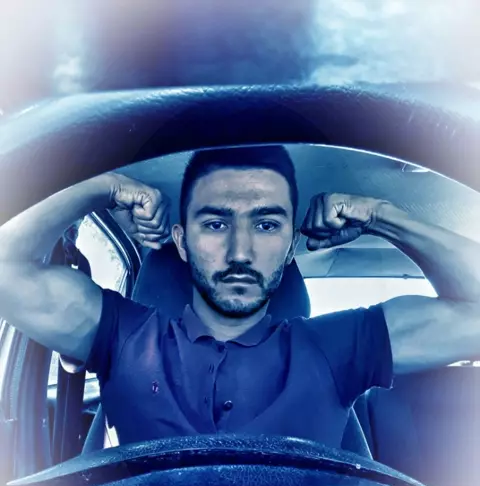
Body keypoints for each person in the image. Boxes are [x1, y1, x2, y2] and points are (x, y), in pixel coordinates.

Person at [0, 145, 479, 449]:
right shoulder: (121, 336)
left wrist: (382, 215)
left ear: (290, 247)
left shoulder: (340, 347)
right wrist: (101, 187)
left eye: (266, 225)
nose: (240, 251)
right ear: (181, 242)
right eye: (215, 223)